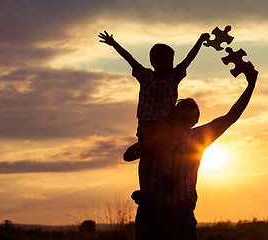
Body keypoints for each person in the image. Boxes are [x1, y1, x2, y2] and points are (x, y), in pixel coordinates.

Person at [124, 67, 258, 240]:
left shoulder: (199, 136)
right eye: (182, 104)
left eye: (192, 106)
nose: (187, 106)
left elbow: (231, 116)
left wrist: (251, 84)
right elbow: (128, 155)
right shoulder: (155, 133)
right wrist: (152, 142)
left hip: (179, 212)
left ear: (196, 120)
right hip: (149, 213)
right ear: (173, 112)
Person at [98, 30, 210, 184]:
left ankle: (166, 176)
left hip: (164, 124)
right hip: (146, 125)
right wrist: (114, 44)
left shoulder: (173, 77)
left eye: (170, 61)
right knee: (146, 156)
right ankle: (145, 188)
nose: (168, 65)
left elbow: (188, 59)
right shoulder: (146, 76)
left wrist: (200, 41)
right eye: (164, 61)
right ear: (154, 62)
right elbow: (129, 58)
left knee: (165, 150)